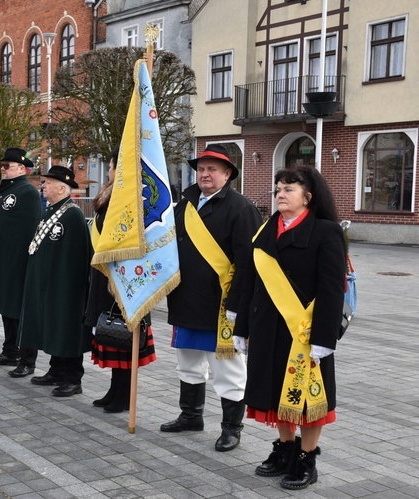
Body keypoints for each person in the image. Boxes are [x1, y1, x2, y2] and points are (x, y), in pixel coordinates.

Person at [234, 165, 346, 490]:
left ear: (308, 198)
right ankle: (285, 451)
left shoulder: (326, 232)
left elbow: (330, 289)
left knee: (310, 401)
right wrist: (241, 326)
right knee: (276, 393)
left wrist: (326, 338)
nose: (281, 194)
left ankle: (307, 460)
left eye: (289, 189)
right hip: (267, 330)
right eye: (278, 189)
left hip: (305, 335)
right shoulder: (265, 229)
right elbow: (248, 282)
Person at [162, 144, 262, 452]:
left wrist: (237, 305)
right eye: (201, 169)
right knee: (189, 364)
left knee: (228, 371)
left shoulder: (241, 208)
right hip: (185, 300)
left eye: (213, 169)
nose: (205, 174)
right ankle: (191, 415)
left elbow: (249, 263)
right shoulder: (184, 205)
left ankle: (231, 428)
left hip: (222, 307)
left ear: (227, 174)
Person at [86, 148, 157, 412]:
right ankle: (115, 389)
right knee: (111, 334)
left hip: (126, 277)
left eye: (113, 166)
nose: (109, 170)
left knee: (125, 338)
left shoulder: (134, 199)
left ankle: (125, 396)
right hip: (105, 274)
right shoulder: (110, 195)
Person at [17, 166, 91, 396]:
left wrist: (69, 286)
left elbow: (78, 256)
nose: (43, 186)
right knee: (54, 327)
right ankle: (56, 370)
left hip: (65, 285)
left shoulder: (72, 214)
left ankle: (72, 378)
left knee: (66, 329)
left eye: (47, 183)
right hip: (47, 282)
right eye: (43, 182)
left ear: (61, 187)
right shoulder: (51, 211)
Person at [0, 147, 41, 375]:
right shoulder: (6, 189)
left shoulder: (27, 192)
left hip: (17, 262)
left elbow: (29, 230)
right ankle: (10, 349)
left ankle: (27, 359)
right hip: (2, 261)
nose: (3, 170)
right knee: (7, 309)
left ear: (22, 168)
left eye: (8, 166)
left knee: (20, 311)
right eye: (2, 166)